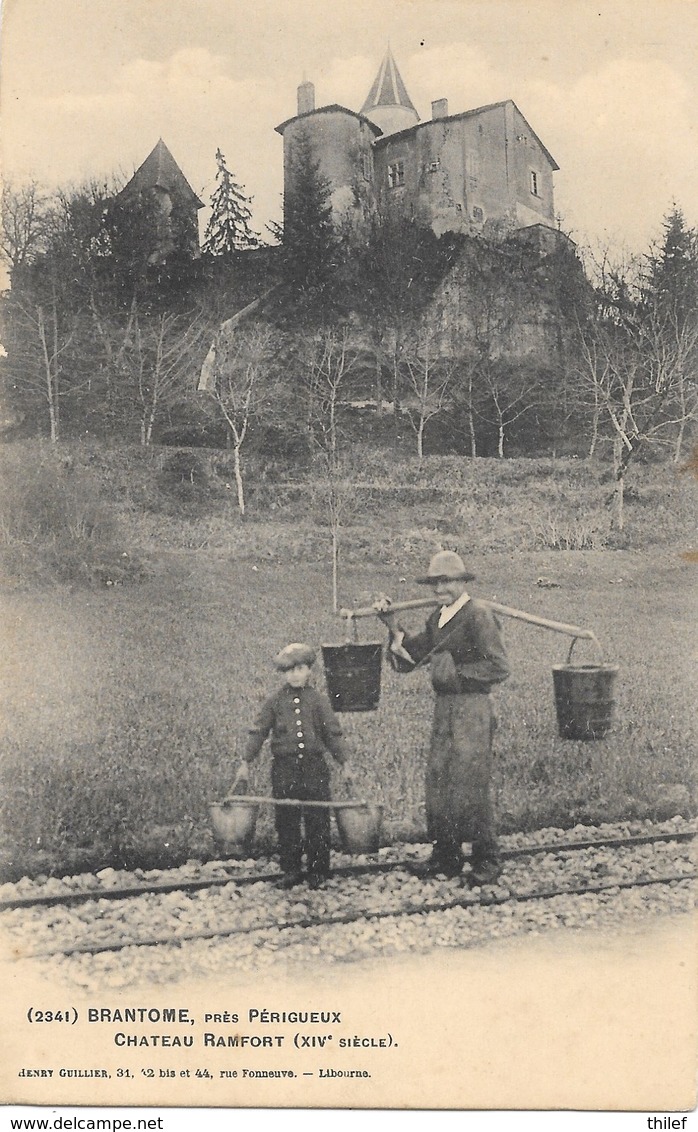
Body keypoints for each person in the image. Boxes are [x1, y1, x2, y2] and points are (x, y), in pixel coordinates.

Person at [375, 551, 510, 886]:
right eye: (435, 583)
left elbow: (499, 666)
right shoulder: (438, 618)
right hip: (446, 709)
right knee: (440, 780)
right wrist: (392, 624)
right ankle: (446, 857)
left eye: (447, 581)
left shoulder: (478, 615)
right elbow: (412, 656)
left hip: (473, 708)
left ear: (462, 582)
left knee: (470, 782)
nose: (440, 589)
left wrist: (455, 672)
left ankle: (486, 860)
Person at [231, 643, 352, 889]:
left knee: (318, 819)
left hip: (314, 769)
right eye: (289, 671)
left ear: (309, 670)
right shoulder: (275, 702)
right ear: (283, 674)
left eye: (299, 669)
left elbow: (333, 734)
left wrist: (345, 763)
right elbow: (258, 731)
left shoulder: (318, 701)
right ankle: (291, 869)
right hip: (284, 770)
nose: (294, 675)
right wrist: (246, 761)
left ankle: (319, 870)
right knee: (286, 820)